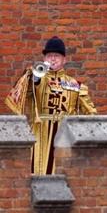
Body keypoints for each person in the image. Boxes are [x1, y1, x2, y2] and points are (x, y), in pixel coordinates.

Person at [5, 36, 97, 175]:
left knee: (63, 173)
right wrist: (35, 77)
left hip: (64, 133)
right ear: (44, 59)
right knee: (37, 172)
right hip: (40, 131)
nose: (52, 59)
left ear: (64, 60)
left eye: (56, 56)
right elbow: (25, 92)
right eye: (49, 56)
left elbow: (91, 113)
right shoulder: (36, 77)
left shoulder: (76, 85)